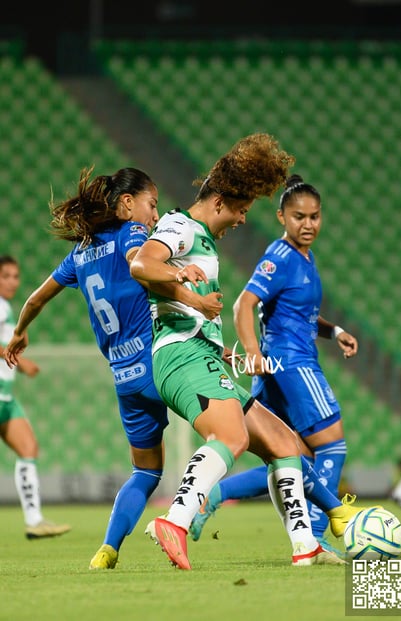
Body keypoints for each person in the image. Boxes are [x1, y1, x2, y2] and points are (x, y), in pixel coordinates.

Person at [130, 133, 367, 570]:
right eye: (240, 209)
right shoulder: (180, 227)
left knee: (282, 443)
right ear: (219, 202)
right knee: (233, 437)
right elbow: (141, 265)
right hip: (180, 355)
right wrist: (192, 295)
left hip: (200, 354)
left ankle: (306, 547)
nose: (242, 219)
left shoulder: (200, 236)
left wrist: (217, 342)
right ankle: (175, 521)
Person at [4, 167, 223, 569]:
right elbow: (139, 262)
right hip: (158, 366)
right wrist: (182, 278)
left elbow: (35, 299)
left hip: (125, 380)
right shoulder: (132, 233)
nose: (155, 216)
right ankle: (185, 516)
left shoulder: (80, 253)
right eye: (151, 204)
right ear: (127, 204)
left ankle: (107, 550)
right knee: (235, 430)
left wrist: (19, 333)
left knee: (145, 473)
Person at [189, 173, 359, 555]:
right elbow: (243, 305)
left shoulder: (304, 258)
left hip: (278, 365)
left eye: (315, 216)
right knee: (331, 447)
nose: (309, 224)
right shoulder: (280, 257)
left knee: (287, 455)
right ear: (282, 216)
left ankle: (214, 494)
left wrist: (335, 333)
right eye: (299, 216)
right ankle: (315, 535)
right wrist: (252, 352)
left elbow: (298, 313)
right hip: (291, 363)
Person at [0, 254, 71, 539]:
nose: (12, 282)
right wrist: (14, 355)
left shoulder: (6, 307)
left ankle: (35, 520)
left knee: (28, 448)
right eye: (6, 276)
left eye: (16, 276)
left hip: (5, 397)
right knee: (28, 449)